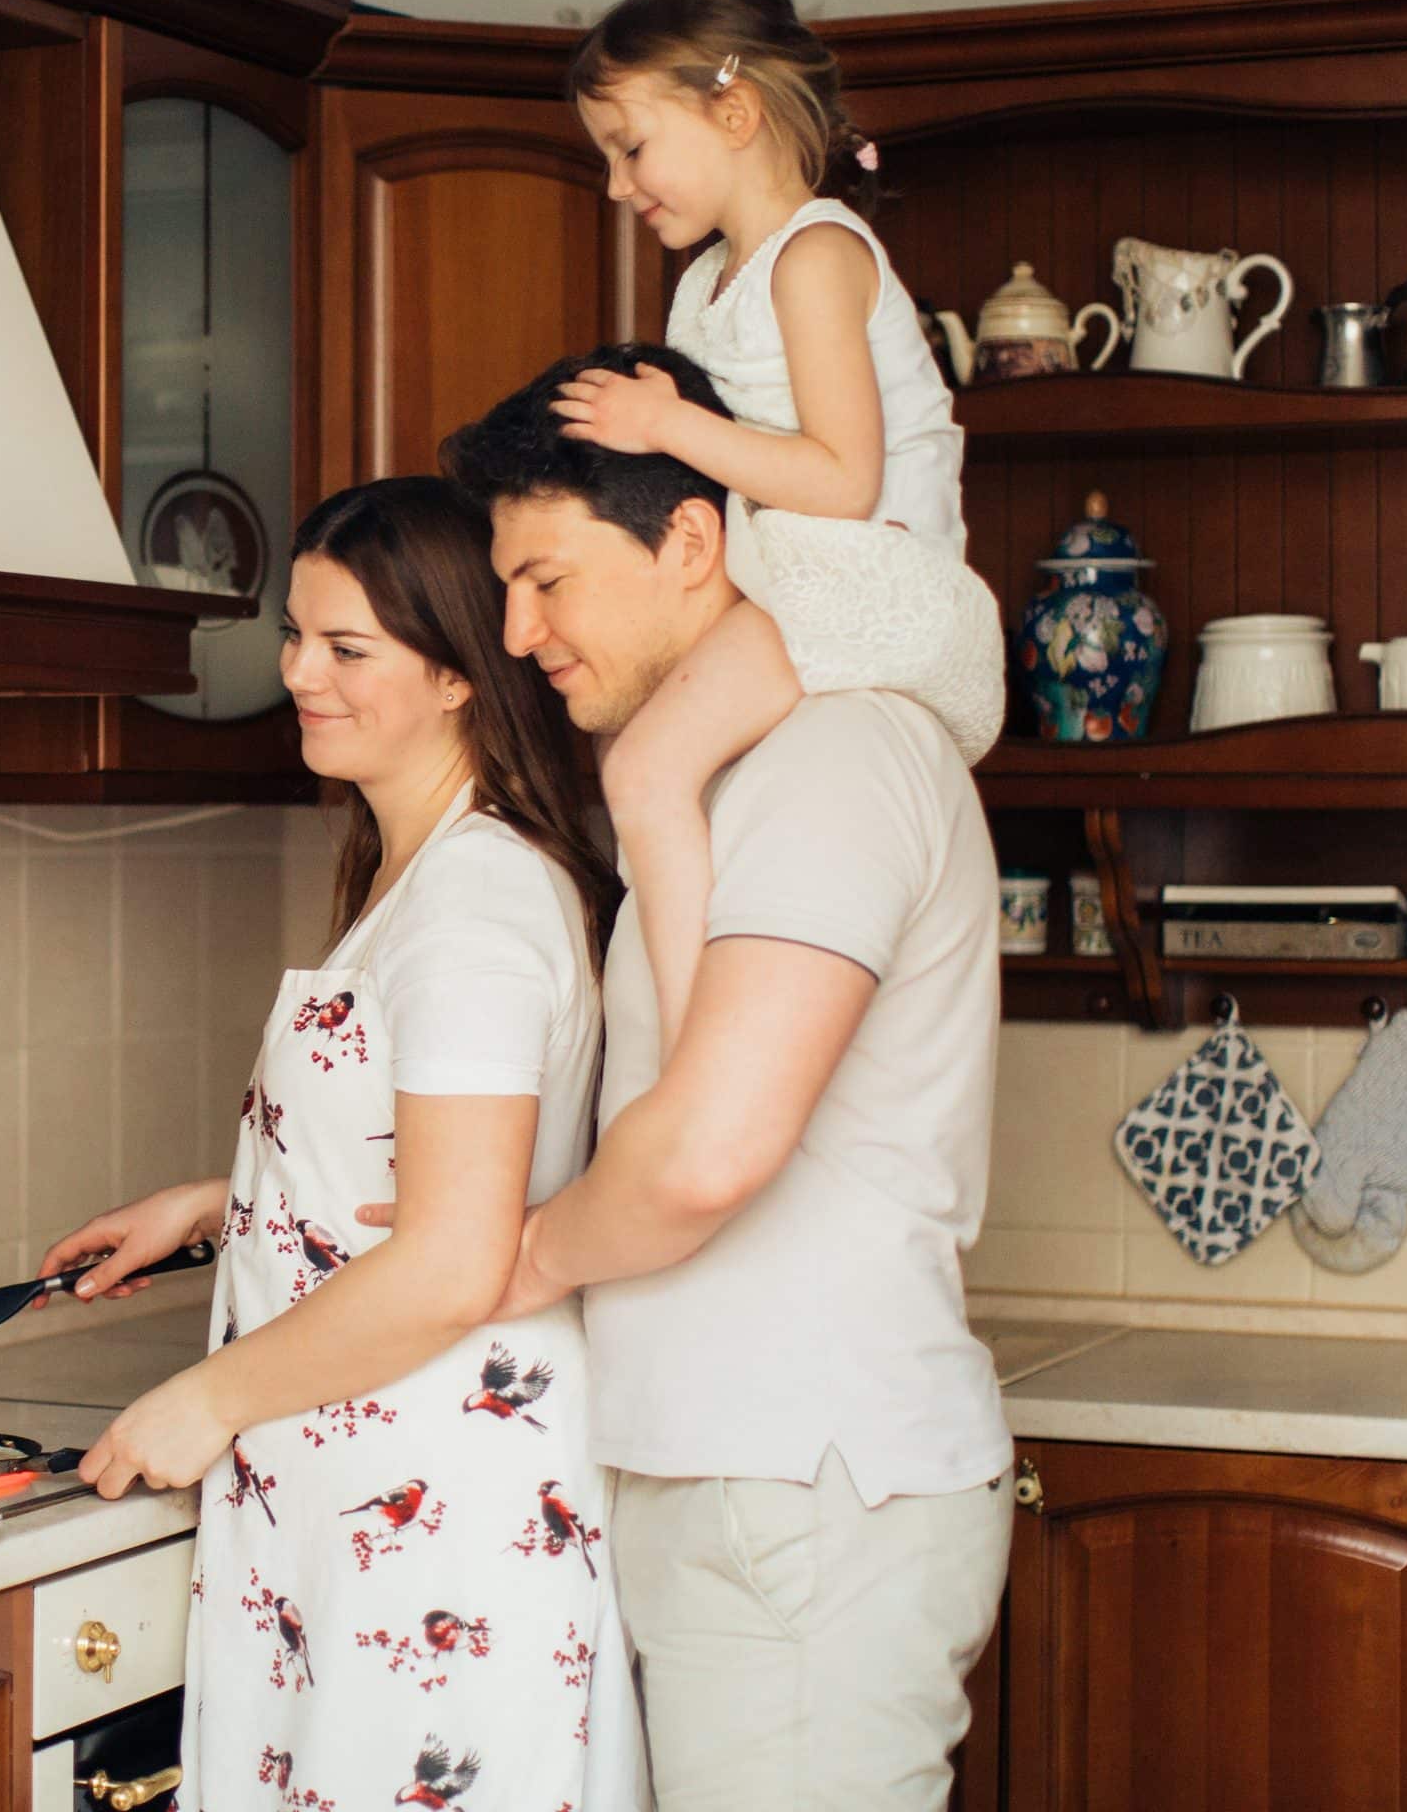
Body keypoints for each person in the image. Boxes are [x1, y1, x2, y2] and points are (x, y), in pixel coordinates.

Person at [432, 348, 1012, 1811]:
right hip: (739, 1471)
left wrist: (511, 1259)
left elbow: (705, 1151)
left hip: (800, 1487)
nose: (520, 631)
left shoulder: (837, 754)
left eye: (548, 580)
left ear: (692, 540)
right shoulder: (714, 777)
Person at [37, 478, 648, 1812]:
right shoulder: (420, 874)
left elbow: (452, 1260)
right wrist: (226, 1204)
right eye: (295, 636)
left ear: (459, 674)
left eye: (346, 647)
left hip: (442, 1515)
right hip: (370, 1494)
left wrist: (205, 1398)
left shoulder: (475, 903)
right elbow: (421, 1162)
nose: (299, 674)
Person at [549, 0, 1007, 1070]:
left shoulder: (817, 254)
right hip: (794, 578)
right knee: (653, 757)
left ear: (734, 111)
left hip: (871, 584)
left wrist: (666, 426)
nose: (616, 186)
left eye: (630, 147)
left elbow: (844, 479)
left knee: (643, 771)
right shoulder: (707, 282)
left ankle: (695, 1058)